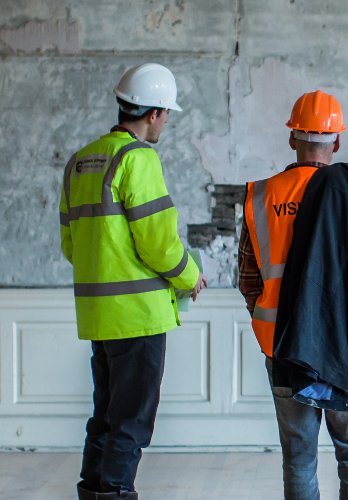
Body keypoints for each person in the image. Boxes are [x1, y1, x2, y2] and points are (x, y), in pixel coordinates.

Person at [238, 90, 348, 500]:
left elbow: (248, 279)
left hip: (283, 346)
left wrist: (272, 316)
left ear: (292, 138)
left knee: (298, 458)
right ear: (338, 142)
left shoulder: (261, 196)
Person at [59, 62, 208, 500]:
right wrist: (190, 275)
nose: (166, 122)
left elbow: (71, 246)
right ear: (155, 113)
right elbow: (158, 243)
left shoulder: (80, 162)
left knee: (105, 416)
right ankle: (117, 494)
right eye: (166, 114)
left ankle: (93, 492)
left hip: (99, 316)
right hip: (138, 317)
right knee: (132, 422)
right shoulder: (137, 159)